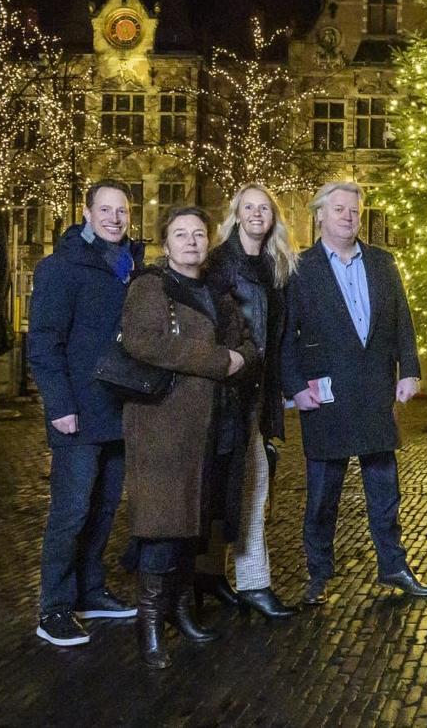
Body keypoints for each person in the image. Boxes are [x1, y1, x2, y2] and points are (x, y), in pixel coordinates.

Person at [280, 181, 427, 604]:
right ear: (320, 216)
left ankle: (394, 567)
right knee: (322, 498)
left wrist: (411, 371)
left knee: (385, 492)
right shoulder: (300, 268)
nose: (349, 217)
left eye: (355, 210)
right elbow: (285, 338)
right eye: (339, 210)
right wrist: (295, 387)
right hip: (325, 396)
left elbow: (403, 321)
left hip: (374, 391)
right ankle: (318, 575)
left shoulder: (384, 263)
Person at [120, 206, 254, 669]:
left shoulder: (217, 290)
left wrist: (243, 357)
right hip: (162, 425)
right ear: (166, 242)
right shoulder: (151, 286)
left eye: (199, 234)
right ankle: (150, 621)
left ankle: (178, 609)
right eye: (181, 234)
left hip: (210, 424)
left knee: (192, 524)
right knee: (161, 524)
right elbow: (146, 343)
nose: (192, 242)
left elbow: (247, 341)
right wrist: (221, 360)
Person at [27, 179, 143, 647]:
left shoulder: (131, 268)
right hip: (78, 413)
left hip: (118, 410)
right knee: (71, 512)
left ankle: (90, 591)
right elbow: (44, 343)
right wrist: (59, 406)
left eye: (122, 211)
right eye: (106, 210)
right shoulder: (60, 268)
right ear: (87, 213)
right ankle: (53, 607)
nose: (115, 219)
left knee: (104, 509)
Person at [193, 185, 298, 620]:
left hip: (256, 392)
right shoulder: (219, 264)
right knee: (231, 487)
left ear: (273, 217)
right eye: (249, 207)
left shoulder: (277, 266)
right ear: (235, 215)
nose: (257, 214)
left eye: (264, 208)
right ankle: (237, 580)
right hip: (226, 393)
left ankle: (224, 577)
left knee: (248, 485)